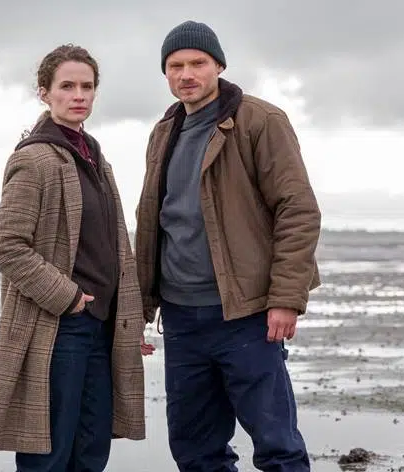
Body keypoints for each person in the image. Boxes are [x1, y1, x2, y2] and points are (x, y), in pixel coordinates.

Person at [135, 20, 321, 472]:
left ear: (218, 65)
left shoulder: (261, 121)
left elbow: (297, 210)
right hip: (181, 317)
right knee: (195, 449)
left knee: (277, 446)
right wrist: (138, 308)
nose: (186, 74)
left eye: (197, 63)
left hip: (246, 313)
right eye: (175, 66)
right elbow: (151, 221)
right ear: (165, 73)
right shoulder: (164, 131)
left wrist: (285, 298)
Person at [0, 44, 155, 472]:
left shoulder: (96, 158)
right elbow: (6, 245)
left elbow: (114, 249)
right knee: (49, 454)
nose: (79, 95)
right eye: (67, 86)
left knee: (91, 450)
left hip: (101, 327)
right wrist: (67, 297)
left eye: (87, 87)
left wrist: (129, 320)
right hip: (58, 326)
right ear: (44, 93)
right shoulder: (34, 159)